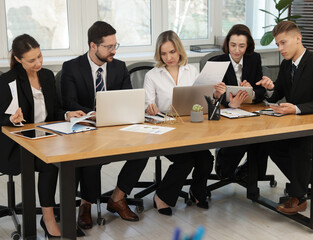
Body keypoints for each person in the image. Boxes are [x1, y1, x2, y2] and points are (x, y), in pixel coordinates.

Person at [61, 21, 148, 228]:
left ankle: (117, 198)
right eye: (109, 47)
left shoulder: (119, 67)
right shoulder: (71, 67)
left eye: (116, 45)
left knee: (145, 149)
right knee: (92, 156)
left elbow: (128, 97)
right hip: (86, 128)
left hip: (116, 127)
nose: (114, 51)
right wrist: (92, 115)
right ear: (93, 46)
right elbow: (69, 102)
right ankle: (86, 204)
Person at [0, 34, 85, 237]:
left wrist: (66, 114)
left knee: (72, 158)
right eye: (31, 60)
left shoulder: (46, 76)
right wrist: (11, 119)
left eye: (39, 56)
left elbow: (52, 111)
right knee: (49, 164)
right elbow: (1, 118)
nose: (38, 63)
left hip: (46, 138)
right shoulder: (7, 81)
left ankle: (64, 213)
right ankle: (47, 218)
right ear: (19, 60)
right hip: (17, 144)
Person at [256, 21, 313, 214]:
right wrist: (270, 88)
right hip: (300, 126)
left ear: (298, 39)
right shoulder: (287, 64)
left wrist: (296, 108)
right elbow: (277, 92)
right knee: (271, 143)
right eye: (277, 44)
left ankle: (299, 197)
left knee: (300, 143)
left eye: (283, 43)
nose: (280, 48)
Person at [144, 30, 225, 215]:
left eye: (172, 52)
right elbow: (147, 104)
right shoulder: (152, 75)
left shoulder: (192, 71)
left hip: (190, 127)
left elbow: (200, 100)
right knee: (186, 160)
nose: (168, 57)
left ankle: (197, 191)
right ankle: (162, 196)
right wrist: (149, 107)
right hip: (166, 128)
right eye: (163, 53)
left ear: (179, 50)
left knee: (206, 159)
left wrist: (215, 95)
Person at [211, 24, 267, 182]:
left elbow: (261, 90)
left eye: (241, 46)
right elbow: (211, 93)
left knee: (265, 136)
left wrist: (252, 92)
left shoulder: (254, 59)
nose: (236, 50)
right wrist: (231, 103)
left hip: (250, 111)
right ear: (227, 44)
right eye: (233, 45)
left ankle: (251, 174)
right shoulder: (217, 61)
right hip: (225, 114)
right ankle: (225, 168)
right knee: (241, 136)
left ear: (247, 45)